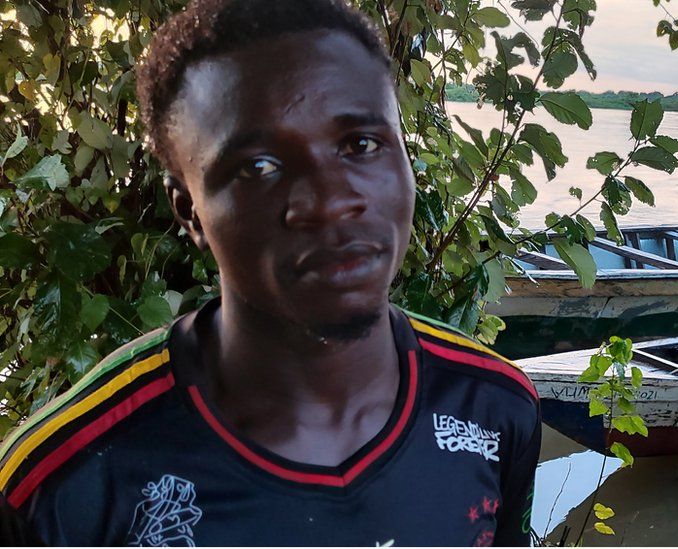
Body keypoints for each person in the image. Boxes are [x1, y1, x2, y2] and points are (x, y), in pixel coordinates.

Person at [0, 0, 541, 545]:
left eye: (361, 145)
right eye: (259, 167)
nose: (329, 202)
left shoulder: (496, 411)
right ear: (190, 211)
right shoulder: (59, 486)